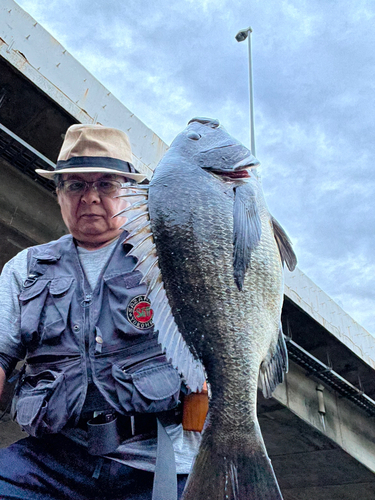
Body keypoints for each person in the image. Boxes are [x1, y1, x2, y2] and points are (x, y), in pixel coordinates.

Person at [0, 124, 201, 499]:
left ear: (129, 191)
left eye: (105, 184)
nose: (90, 197)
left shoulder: (170, 259)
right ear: (58, 193)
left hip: (158, 458)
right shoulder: (24, 269)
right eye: (76, 185)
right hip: (52, 458)